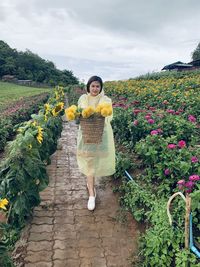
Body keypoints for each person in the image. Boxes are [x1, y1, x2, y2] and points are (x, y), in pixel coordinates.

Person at [76, 75, 115, 211]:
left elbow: (109, 116)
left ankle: (90, 184)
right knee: (89, 163)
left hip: (100, 136)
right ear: (88, 86)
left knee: (96, 161)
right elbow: (81, 113)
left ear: (101, 87)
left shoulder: (105, 99)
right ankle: (92, 194)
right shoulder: (83, 98)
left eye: (97, 86)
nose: (95, 88)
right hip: (86, 136)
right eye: (92, 86)